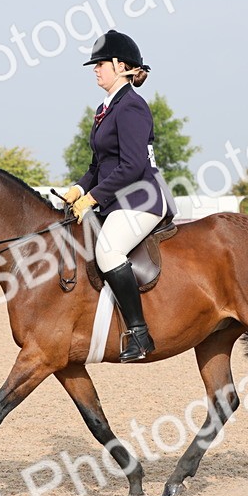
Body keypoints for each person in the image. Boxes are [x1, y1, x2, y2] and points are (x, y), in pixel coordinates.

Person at [63, 30, 175, 362]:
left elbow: (132, 166)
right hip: (117, 198)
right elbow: (99, 164)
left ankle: (140, 334)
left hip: (143, 198)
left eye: (100, 64)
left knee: (109, 252)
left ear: (120, 65)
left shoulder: (131, 108)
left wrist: (93, 198)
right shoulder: (105, 108)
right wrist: (79, 188)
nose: (95, 69)